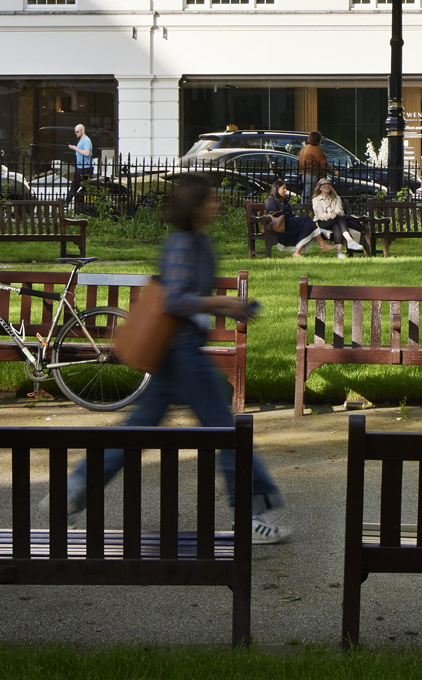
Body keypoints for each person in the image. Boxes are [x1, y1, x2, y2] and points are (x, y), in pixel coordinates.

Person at [58, 174, 288, 543]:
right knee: (227, 432)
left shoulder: (196, 240)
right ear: (195, 207)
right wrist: (222, 302)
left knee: (138, 429)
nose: (216, 205)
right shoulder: (183, 243)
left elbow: (186, 299)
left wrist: (229, 307)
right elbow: (175, 301)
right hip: (183, 353)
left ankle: (73, 491)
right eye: (210, 200)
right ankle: (250, 517)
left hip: (176, 352)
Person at [309, 179, 368, 257]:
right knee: (339, 219)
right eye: (324, 184)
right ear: (320, 188)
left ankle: (339, 253)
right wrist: (330, 215)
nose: (327, 185)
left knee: (336, 224)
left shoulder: (336, 198)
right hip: (322, 223)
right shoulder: (316, 199)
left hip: (335, 220)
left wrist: (335, 214)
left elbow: (339, 210)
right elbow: (319, 214)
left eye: (328, 184)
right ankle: (350, 241)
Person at [265, 180, 321, 257]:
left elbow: (289, 212)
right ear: (277, 189)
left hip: (289, 222)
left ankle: (298, 252)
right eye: (283, 188)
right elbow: (275, 214)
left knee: (307, 221)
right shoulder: (270, 200)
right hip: (281, 225)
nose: (285, 190)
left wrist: (292, 216)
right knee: (307, 220)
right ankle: (321, 244)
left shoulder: (284, 200)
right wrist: (290, 216)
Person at [296, 130, 330, 201]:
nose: (321, 141)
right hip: (312, 174)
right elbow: (323, 163)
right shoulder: (316, 149)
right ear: (317, 139)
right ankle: (305, 207)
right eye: (320, 139)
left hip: (303, 174)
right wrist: (332, 169)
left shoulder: (304, 148)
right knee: (310, 194)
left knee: (306, 193)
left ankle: (304, 206)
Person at [68, 123, 94, 208]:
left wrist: (75, 148)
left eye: (77, 132)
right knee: (79, 187)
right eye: (75, 132)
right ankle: (71, 202)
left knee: (76, 186)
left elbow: (87, 153)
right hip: (81, 167)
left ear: (82, 130)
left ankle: (66, 202)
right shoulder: (82, 140)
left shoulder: (86, 140)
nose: (76, 133)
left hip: (85, 168)